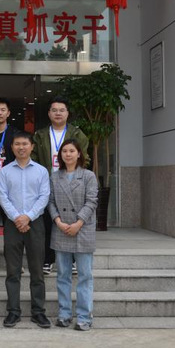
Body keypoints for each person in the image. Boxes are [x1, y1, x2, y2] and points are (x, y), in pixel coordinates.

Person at [0, 132, 51, 329]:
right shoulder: (4, 171)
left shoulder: (41, 171)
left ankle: (38, 312)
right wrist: (17, 217)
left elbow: (44, 196)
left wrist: (28, 216)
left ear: (32, 147)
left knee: (37, 271)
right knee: (13, 271)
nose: (21, 147)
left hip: (35, 223)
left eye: (25, 144)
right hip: (12, 224)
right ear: (12, 147)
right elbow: (2, 197)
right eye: (17, 144)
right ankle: (13, 311)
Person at [32, 97, 89, 275]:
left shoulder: (77, 134)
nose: (58, 113)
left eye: (61, 110)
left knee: (70, 220)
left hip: (70, 183)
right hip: (47, 183)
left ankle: (72, 260)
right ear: (49, 113)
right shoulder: (40, 135)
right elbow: (34, 159)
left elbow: (85, 158)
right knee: (48, 223)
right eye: (54, 110)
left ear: (67, 113)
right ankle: (48, 260)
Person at [48, 139, 98, 331]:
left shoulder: (88, 176)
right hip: (61, 229)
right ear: (60, 155)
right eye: (64, 151)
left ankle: (84, 316)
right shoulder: (54, 176)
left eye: (71, 151)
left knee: (85, 275)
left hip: (82, 229)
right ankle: (64, 314)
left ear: (79, 154)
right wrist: (58, 221)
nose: (68, 154)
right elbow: (50, 202)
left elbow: (92, 201)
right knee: (63, 275)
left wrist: (78, 223)